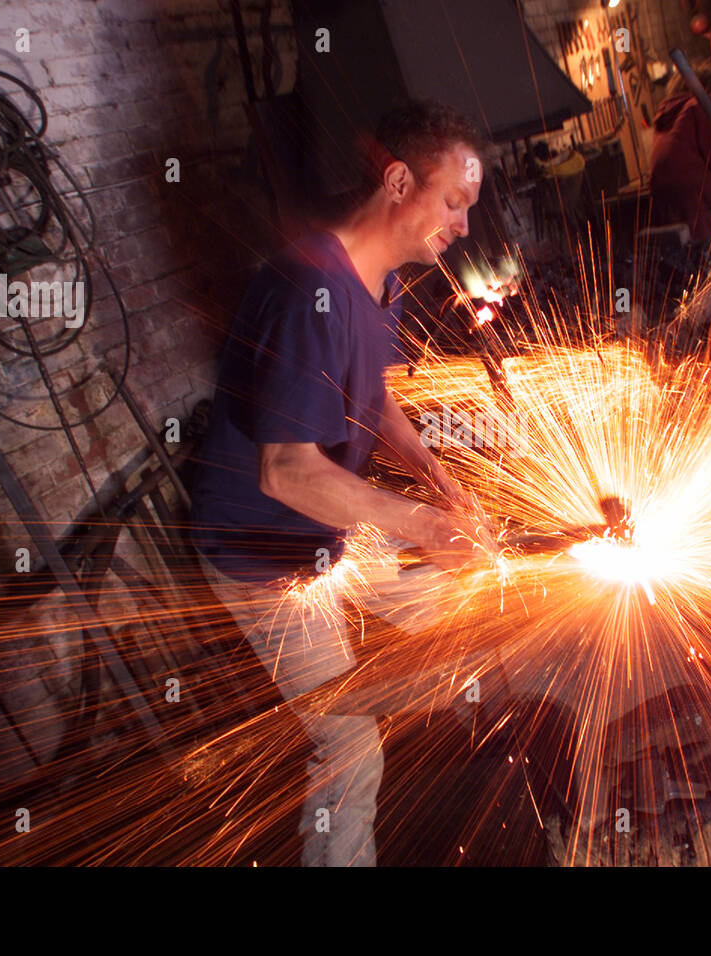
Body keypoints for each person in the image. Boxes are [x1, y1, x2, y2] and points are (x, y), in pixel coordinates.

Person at [188, 100, 491, 866]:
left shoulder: (381, 282)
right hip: (266, 558)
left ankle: (459, 715)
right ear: (399, 182)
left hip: (333, 529)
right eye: (454, 203)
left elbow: (374, 396)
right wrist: (422, 525)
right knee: (352, 748)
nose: (464, 227)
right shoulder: (306, 291)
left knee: (467, 594)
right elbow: (287, 471)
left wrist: (437, 480)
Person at [648, 69, 711, 244]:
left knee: (685, 251)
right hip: (694, 192)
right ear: (708, 87)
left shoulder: (666, 113)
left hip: (661, 195)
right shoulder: (702, 103)